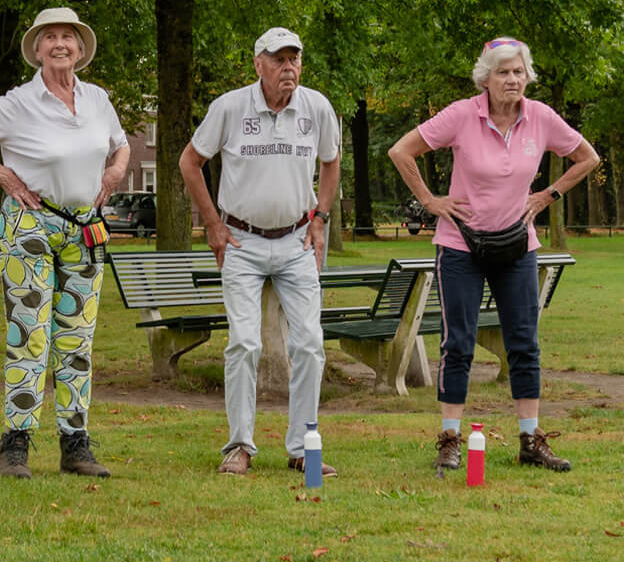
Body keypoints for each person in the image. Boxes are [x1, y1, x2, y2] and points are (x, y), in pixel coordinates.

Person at [0, 7, 129, 479]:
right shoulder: (18, 103)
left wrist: (117, 168)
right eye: (50, 38)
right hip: (31, 225)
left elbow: (120, 144)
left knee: (77, 338)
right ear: (37, 49)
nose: (60, 44)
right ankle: (15, 445)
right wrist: (2, 174)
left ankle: (75, 444)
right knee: (30, 334)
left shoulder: (98, 99)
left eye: (69, 37)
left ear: (80, 50)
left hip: (84, 229)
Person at [388, 37, 599, 472]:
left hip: (518, 246)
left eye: (519, 72)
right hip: (461, 245)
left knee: (524, 344)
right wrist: (431, 201)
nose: (513, 80)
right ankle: (450, 439)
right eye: (504, 72)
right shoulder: (462, 114)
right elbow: (402, 150)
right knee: (458, 344)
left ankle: (530, 440)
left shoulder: (540, 117)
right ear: (487, 77)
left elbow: (587, 157)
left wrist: (546, 195)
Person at [179, 27, 341, 477]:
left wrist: (321, 218)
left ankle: (303, 447)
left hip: (296, 240)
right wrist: (211, 223)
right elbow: (189, 162)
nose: (288, 67)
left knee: (310, 343)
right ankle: (239, 446)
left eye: (294, 59)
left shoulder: (317, 107)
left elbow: (331, 161)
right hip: (241, 241)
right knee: (244, 343)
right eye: (278, 59)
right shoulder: (230, 107)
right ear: (259, 64)